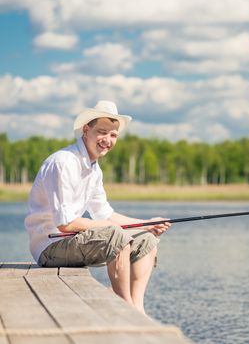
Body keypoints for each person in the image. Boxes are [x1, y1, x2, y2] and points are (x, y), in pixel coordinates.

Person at [24, 100, 170, 314]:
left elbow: (105, 214)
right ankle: (124, 306)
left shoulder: (94, 170)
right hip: (49, 248)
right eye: (102, 132)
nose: (108, 140)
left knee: (146, 239)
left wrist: (147, 224)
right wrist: (110, 229)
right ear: (86, 130)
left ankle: (137, 308)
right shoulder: (63, 163)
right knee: (114, 235)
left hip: (73, 242)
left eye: (113, 135)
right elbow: (65, 224)